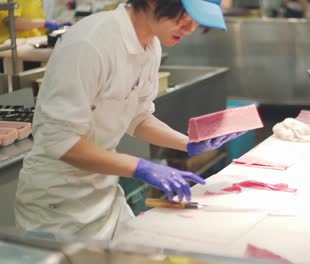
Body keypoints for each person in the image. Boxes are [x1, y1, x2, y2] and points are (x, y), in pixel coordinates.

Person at [15, 0, 240, 240]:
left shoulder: (150, 47)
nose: (189, 28)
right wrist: (139, 167)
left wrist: (187, 143)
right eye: (185, 16)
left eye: (196, 21)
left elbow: (138, 117)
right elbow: (59, 140)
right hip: (56, 205)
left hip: (104, 195)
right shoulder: (89, 43)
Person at [0, 0, 71, 44]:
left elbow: (36, 25)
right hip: (13, 49)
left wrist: (57, 27)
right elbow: (14, 23)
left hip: (33, 43)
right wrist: (45, 23)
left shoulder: (36, 1)